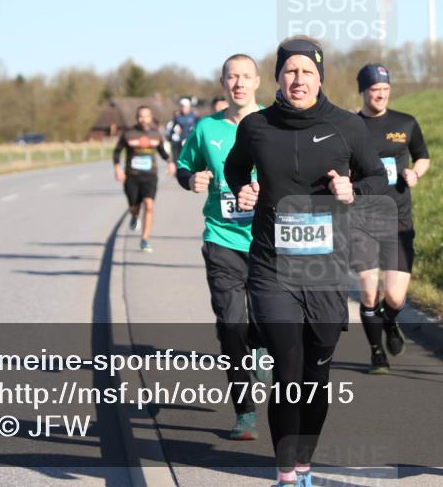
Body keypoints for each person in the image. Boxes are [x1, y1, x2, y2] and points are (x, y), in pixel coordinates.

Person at [225, 36, 387, 487]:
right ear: (278, 76)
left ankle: (305, 465)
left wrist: (352, 191)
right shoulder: (256, 127)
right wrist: (243, 187)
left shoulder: (347, 127)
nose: (298, 79)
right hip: (271, 264)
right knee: (287, 364)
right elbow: (236, 168)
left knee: (316, 369)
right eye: (290, 70)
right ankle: (285, 474)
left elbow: (377, 179)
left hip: (326, 267)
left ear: (321, 77)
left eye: (307, 71)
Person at [175, 53, 268, 441]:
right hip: (221, 240)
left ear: (258, 82)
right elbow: (184, 166)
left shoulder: (273, 124)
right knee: (231, 326)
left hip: (268, 241)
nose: (239, 83)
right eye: (233, 77)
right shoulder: (205, 128)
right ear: (223, 83)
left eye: (246, 76)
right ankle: (245, 413)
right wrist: (189, 179)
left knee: (265, 323)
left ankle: (262, 344)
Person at [351, 63, 430, 375]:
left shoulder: (405, 123)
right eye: (374, 90)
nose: (380, 95)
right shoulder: (350, 126)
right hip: (361, 218)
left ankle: (391, 322)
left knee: (395, 296)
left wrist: (415, 173)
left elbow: (422, 155)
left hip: (398, 218)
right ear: (363, 91)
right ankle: (376, 353)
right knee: (369, 291)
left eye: (385, 90)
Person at [113, 105, 175, 252]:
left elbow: (161, 151)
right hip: (132, 176)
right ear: (137, 117)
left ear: (150, 117)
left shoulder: (156, 133)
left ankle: (145, 239)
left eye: (146, 116)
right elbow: (117, 151)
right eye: (140, 116)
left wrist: (170, 162)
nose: (143, 119)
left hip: (150, 176)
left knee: (149, 205)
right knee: (134, 207)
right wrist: (117, 169)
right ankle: (134, 216)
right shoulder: (129, 133)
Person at [167, 96, 199, 162]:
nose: (183, 108)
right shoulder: (176, 118)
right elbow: (170, 131)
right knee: (178, 162)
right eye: (182, 106)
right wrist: (173, 135)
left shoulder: (194, 117)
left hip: (190, 144)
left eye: (185, 107)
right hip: (178, 144)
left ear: (189, 107)